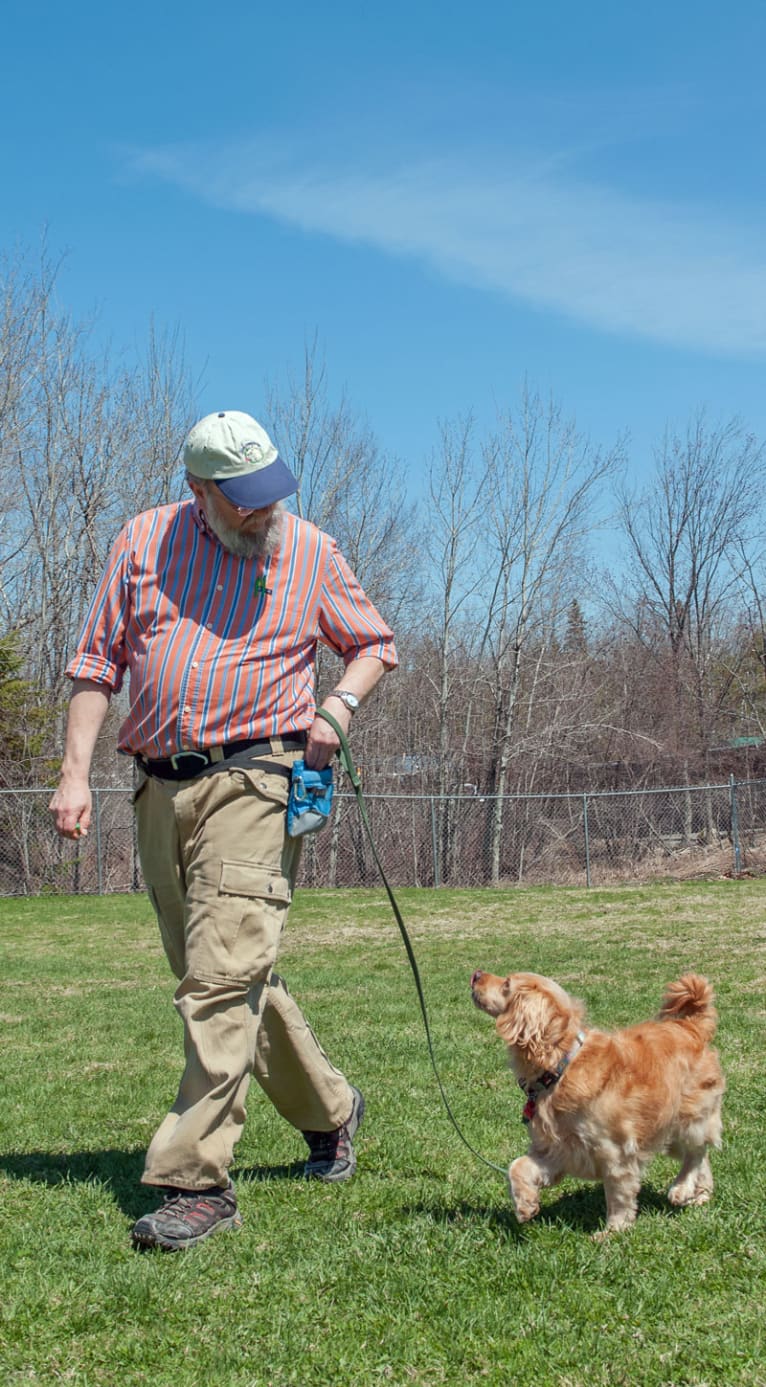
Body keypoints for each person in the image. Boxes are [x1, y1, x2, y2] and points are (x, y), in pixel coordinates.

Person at [49, 409, 397, 1251]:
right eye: (240, 499)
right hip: (159, 789)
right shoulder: (141, 542)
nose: (260, 510)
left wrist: (340, 705)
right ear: (197, 490)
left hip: (259, 776)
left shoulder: (309, 549)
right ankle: (332, 1108)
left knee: (218, 979)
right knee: (226, 974)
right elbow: (99, 663)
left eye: (269, 493)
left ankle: (194, 1178)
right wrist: (74, 769)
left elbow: (374, 642)